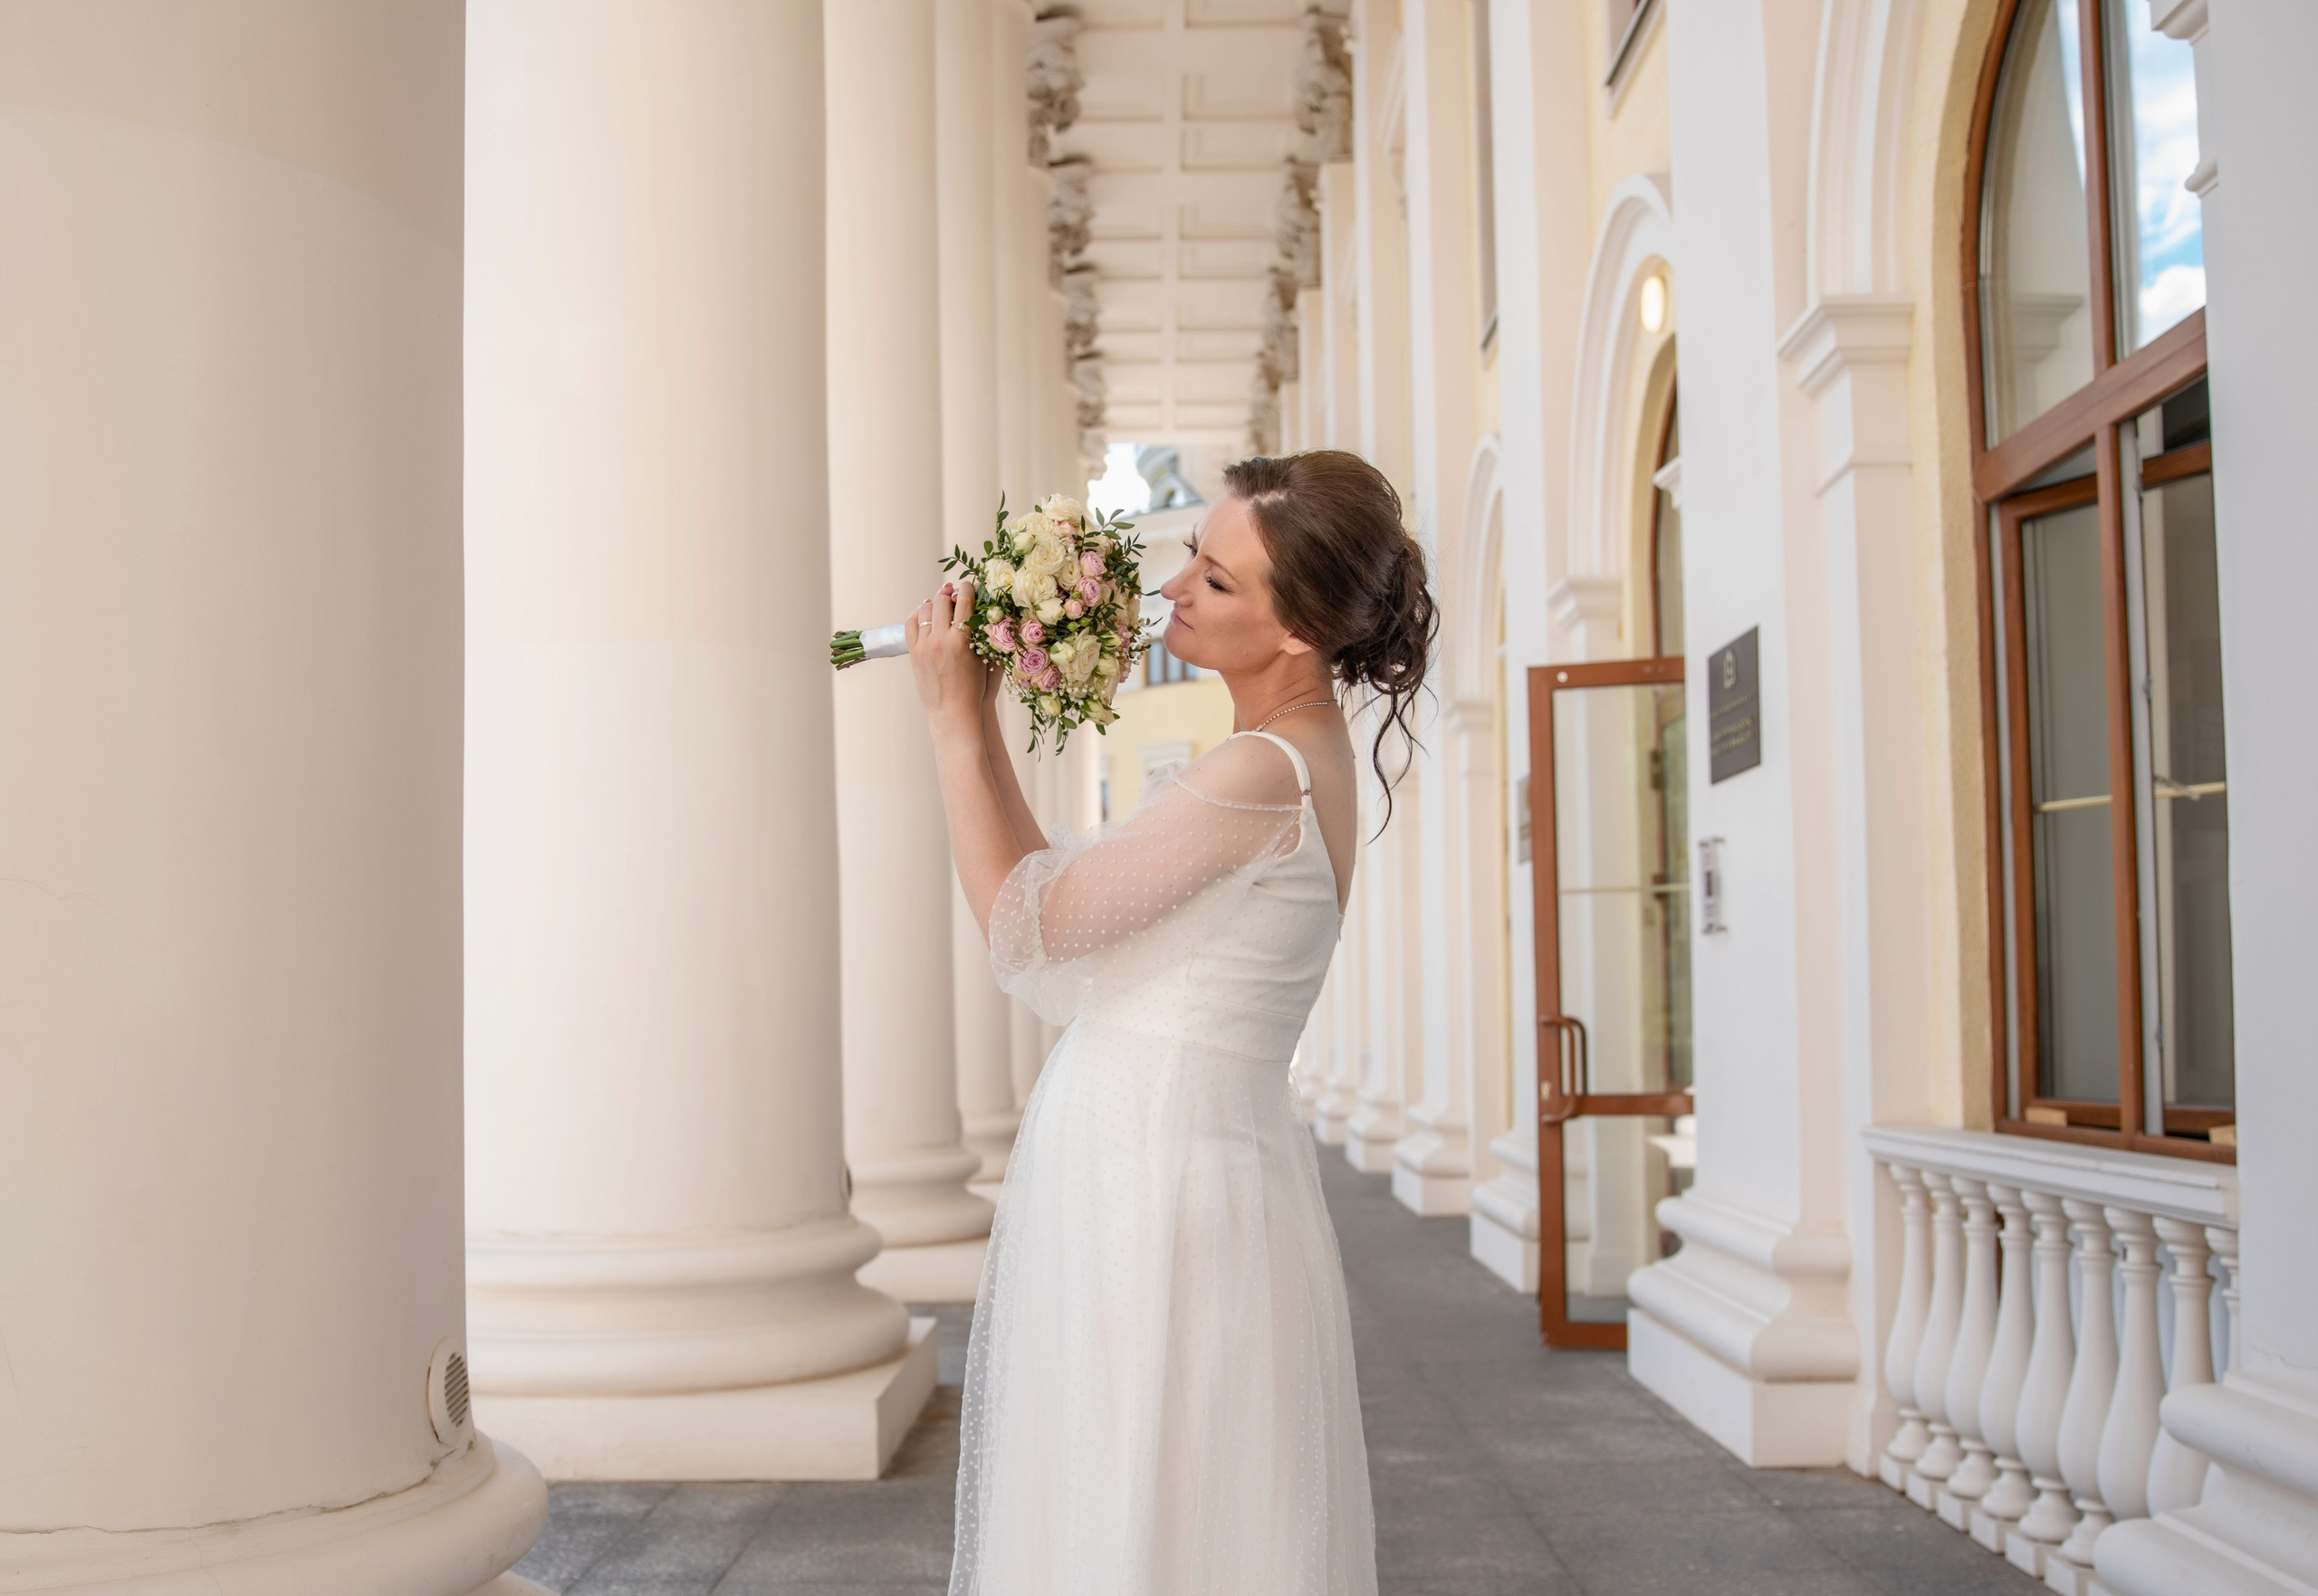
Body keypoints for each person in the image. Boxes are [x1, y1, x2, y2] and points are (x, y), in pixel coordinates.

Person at [905, 450, 1435, 1596]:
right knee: (1147, 1507)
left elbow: (1025, 927)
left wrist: (949, 727)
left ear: (1297, 631)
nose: (1173, 586)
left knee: (1140, 1505)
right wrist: (982, 715)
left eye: (1217, 578)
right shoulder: (1293, 757)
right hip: (1175, 1171)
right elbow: (1054, 904)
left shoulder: (1259, 771)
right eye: (1194, 552)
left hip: (1160, 1196)